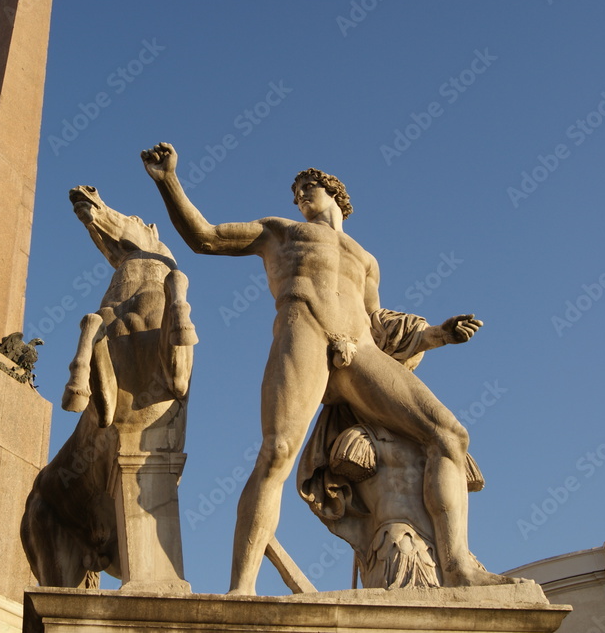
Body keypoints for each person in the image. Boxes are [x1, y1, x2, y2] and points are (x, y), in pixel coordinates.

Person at [141, 142, 517, 594]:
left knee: (450, 434)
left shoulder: (365, 259)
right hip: (304, 334)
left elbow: (379, 323)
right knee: (277, 452)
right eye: (296, 191)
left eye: (308, 188)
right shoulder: (280, 232)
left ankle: (458, 567)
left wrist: (438, 334)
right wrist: (168, 181)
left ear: (335, 195)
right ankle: (241, 589)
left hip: (360, 350)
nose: (299, 196)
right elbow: (205, 236)